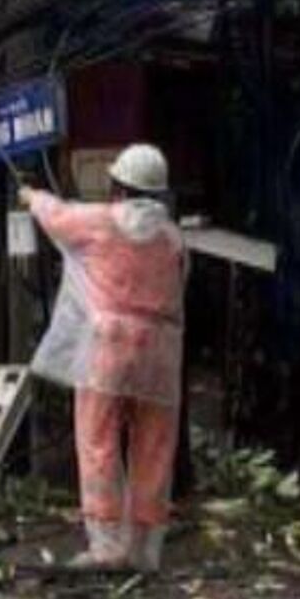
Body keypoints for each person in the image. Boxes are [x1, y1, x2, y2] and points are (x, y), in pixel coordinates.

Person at [21, 144, 187, 572]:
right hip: (160, 355)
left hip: (107, 346)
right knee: (153, 447)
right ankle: (146, 550)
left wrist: (31, 197)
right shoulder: (173, 238)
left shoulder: (99, 222)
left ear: (118, 186)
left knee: (98, 442)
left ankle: (107, 545)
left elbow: (57, 215)